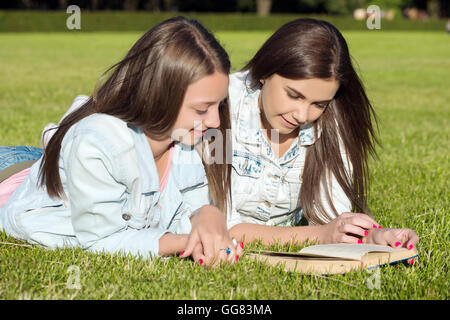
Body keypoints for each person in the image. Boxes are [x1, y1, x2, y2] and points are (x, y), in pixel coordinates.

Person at [0, 17, 243, 266]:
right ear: (158, 95)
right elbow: (101, 240)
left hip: (46, 163)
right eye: (202, 109)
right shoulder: (98, 144)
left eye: (219, 105)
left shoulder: (185, 140)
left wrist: (208, 215)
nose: (215, 121)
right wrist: (185, 242)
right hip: (7, 173)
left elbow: (192, 206)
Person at [226, 18, 419, 256]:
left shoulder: (330, 120)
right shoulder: (220, 106)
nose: (302, 115)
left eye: (319, 103)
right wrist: (318, 235)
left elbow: (331, 218)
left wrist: (370, 236)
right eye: (293, 95)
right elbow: (216, 225)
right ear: (265, 71)